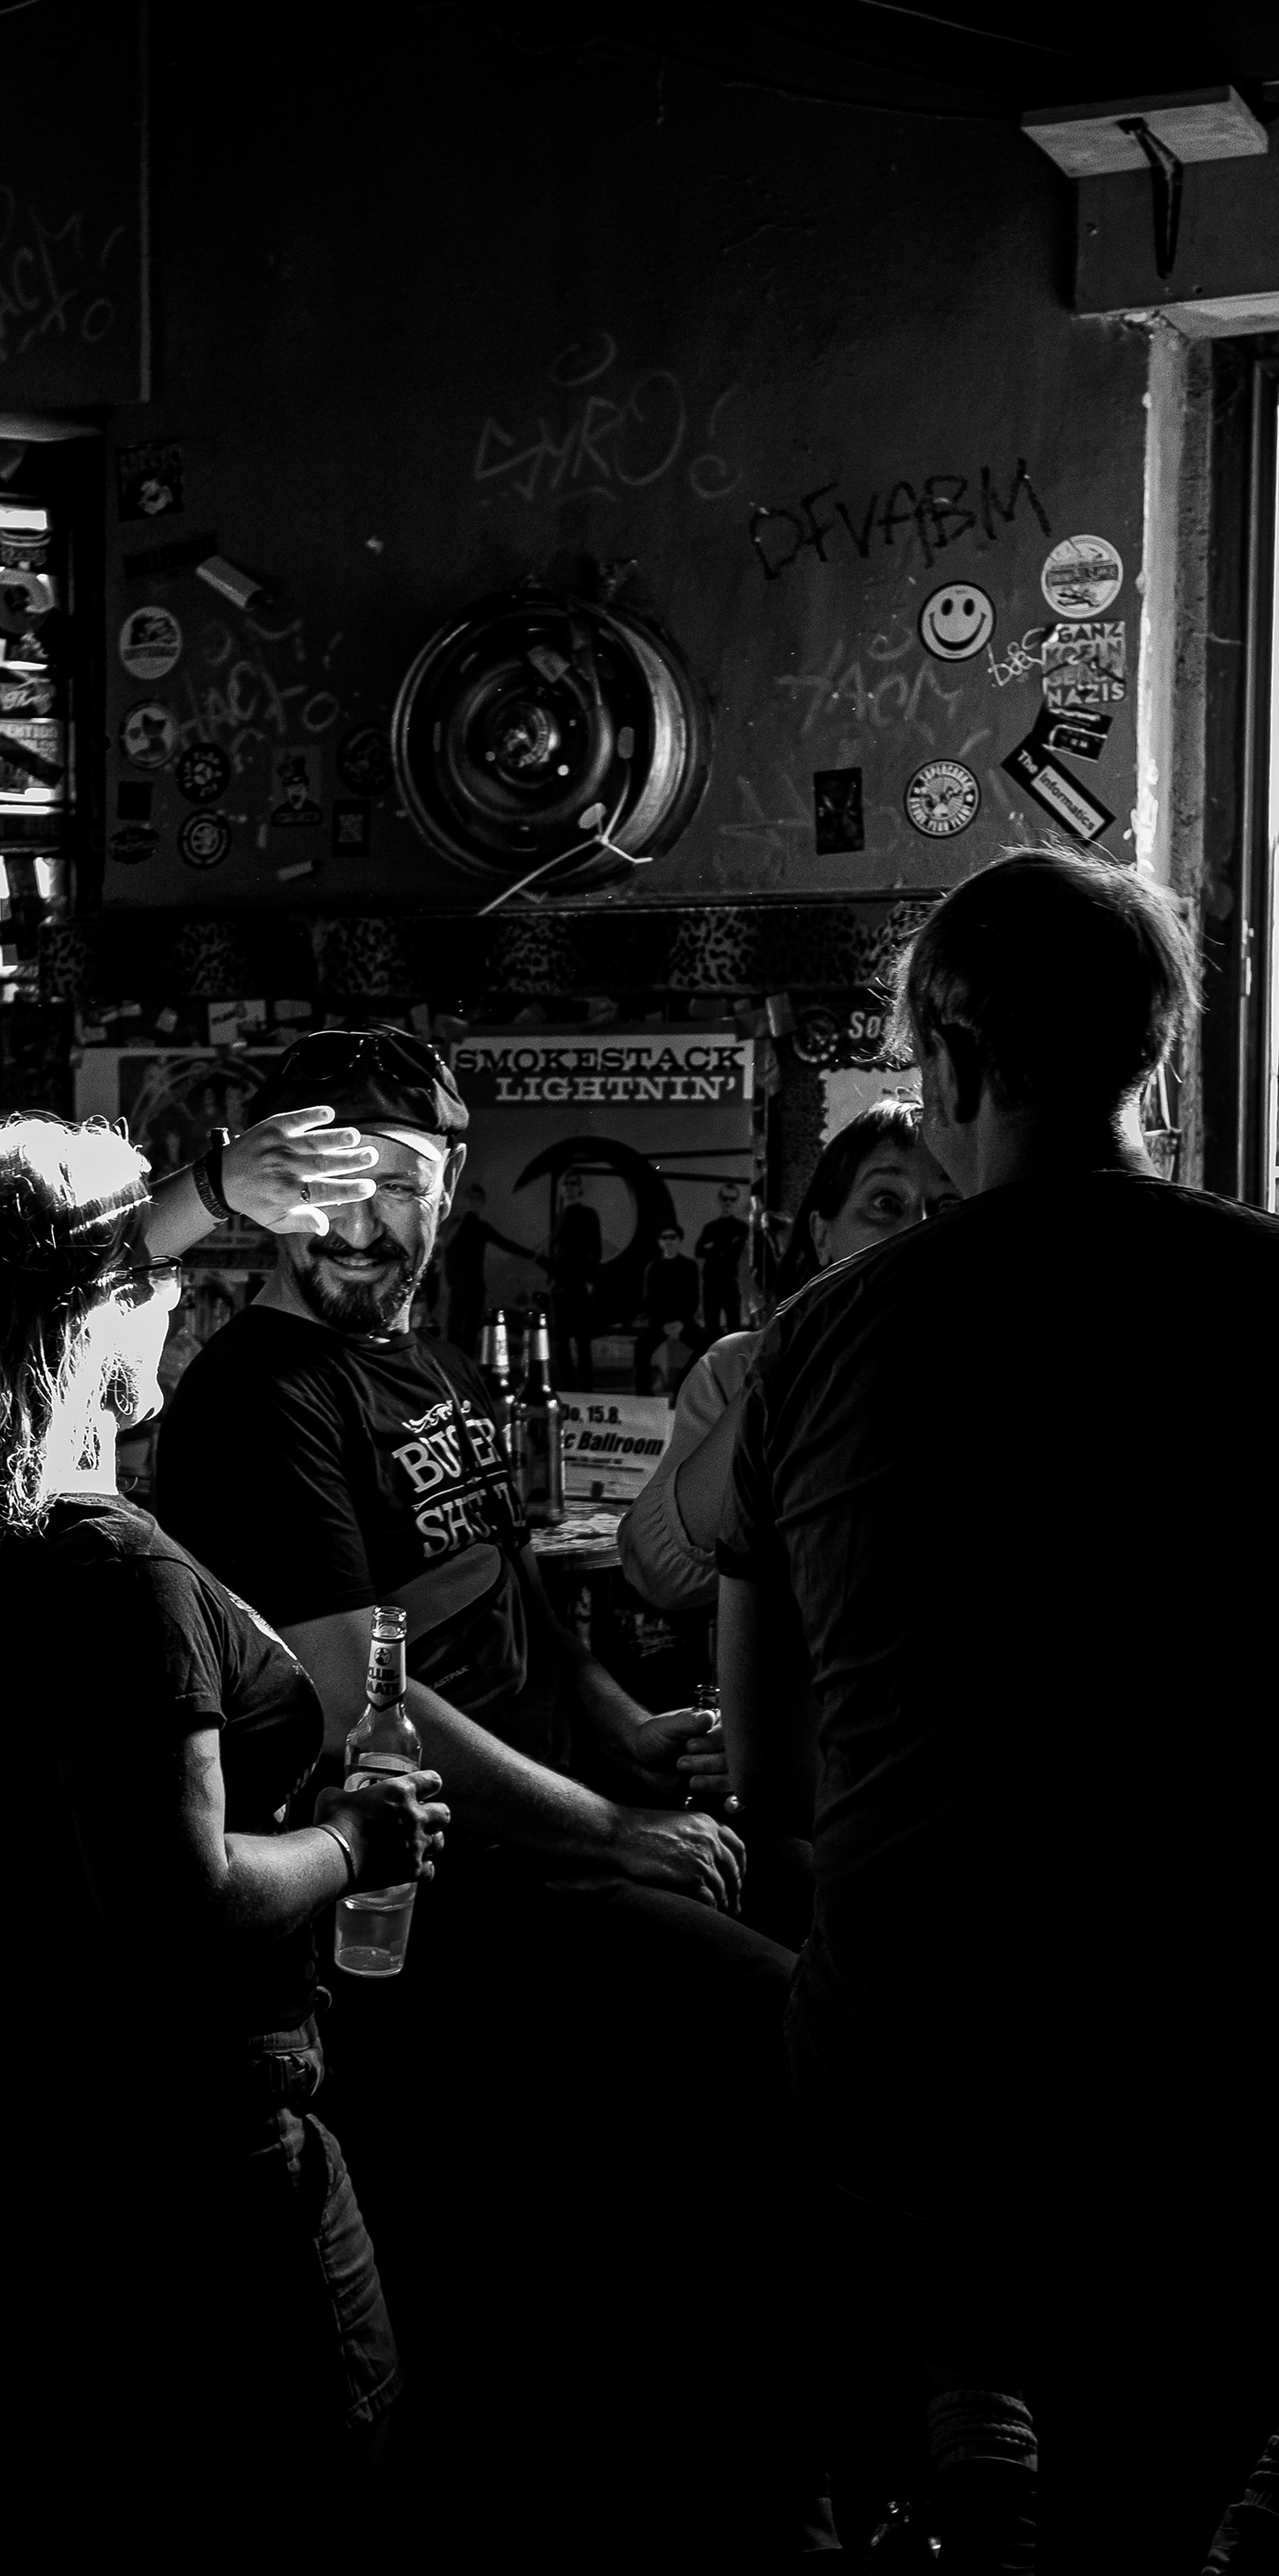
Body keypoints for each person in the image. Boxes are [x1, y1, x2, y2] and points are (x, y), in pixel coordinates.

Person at [155, 1026, 824, 2555]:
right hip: (439, 1900)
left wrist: (627, 1735)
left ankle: (736, 2447)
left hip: (547, 1838)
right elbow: (357, 1690)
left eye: (400, 1179)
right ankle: (767, 2476)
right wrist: (617, 1829)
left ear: (451, 1189)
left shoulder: (432, 1367)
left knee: (827, 1921)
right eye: (328, 1180)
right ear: (267, 1195)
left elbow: (515, 1611)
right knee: (790, 2022)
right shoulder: (259, 1398)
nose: (362, 1219)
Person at [717, 851, 1279, 2570]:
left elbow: (765, 1773)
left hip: (913, 2075)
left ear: (950, 1062)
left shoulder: (817, 1342)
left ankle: (956, 2439)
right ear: (1153, 1060)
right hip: (1211, 2074)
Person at [0, 1108, 447, 2540]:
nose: (179, 1291)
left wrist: (200, 1192)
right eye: (152, 1271)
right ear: (84, 1310)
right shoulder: (114, 1575)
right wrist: (356, 1840)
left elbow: (5, 1276)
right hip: (172, 2149)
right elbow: (175, 1899)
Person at [619, 1098, 953, 1615]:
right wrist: (794, 1357)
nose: (916, 1233)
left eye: (948, 1209)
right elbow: (660, 1572)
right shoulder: (738, 1368)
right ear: (823, 1235)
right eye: (886, 1203)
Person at [437, 1179, 533, 1352]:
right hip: (461, 1287)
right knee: (457, 1330)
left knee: (466, 1331)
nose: (475, 1202)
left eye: (478, 1198)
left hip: (470, 1286)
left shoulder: (473, 1227)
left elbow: (506, 1244)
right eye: (472, 1198)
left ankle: (460, 1365)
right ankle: (456, 1365)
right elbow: (444, 1247)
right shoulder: (459, 1225)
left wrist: (533, 1255)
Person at [545, 1166, 601, 1387]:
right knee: (560, 1339)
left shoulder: (588, 1214)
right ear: (561, 1189)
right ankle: (568, 1387)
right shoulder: (559, 1217)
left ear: (580, 1188)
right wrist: (551, 1280)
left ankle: (586, 1388)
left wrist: (589, 1280)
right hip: (559, 1283)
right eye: (566, 1184)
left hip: (578, 1282)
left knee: (582, 1337)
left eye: (573, 1183)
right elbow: (556, 1251)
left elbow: (596, 1249)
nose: (569, 1188)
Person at [632, 1220, 702, 1393]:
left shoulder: (689, 1266)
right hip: (659, 1322)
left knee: (705, 1347)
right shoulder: (653, 1267)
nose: (669, 1241)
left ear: (679, 1240)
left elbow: (693, 1299)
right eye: (664, 1238)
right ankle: (643, 1396)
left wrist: (682, 1323)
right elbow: (649, 1300)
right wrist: (662, 1324)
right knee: (641, 1348)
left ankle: (681, 1387)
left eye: (672, 1237)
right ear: (659, 1242)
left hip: (683, 1321)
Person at [695, 1179, 748, 1337]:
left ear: (736, 1201)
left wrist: (713, 1247)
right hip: (711, 1282)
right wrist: (725, 1246)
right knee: (712, 1328)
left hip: (729, 1281)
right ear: (720, 1200)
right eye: (725, 1198)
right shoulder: (710, 1227)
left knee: (734, 1328)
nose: (728, 1202)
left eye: (732, 1199)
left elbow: (733, 1254)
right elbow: (699, 1250)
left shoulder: (742, 1227)